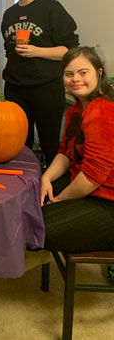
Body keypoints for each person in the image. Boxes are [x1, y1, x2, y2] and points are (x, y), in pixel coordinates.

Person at [1, 0, 79, 166]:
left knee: (50, 144)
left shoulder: (51, 8)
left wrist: (37, 51)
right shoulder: (8, 15)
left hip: (46, 88)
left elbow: (70, 49)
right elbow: (10, 53)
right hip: (15, 88)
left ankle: (51, 191)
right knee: (19, 144)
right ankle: (24, 187)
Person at [41, 46, 114, 253]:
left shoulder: (102, 111)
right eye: (69, 74)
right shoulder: (76, 110)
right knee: (27, 191)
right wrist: (46, 178)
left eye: (83, 72)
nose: (75, 79)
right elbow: (65, 151)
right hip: (83, 184)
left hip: (107, 202)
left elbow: (93, 176)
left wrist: (60, 199)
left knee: (38, 225)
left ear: (99, 73)